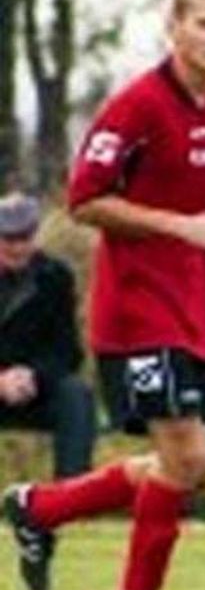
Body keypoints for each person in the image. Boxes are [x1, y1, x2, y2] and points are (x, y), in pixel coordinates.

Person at [2, 0, 205, 590]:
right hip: (138, 311)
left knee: (202, 463)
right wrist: (184, 227)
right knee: (183, 457)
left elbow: (189, 194)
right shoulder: (137, 106)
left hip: (193, 304)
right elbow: (85, 199)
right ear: (173, 26)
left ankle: (40, 509)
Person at [0, 193, 97, 483]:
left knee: (76, 395)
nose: (18, 247)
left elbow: (67, 351)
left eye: (25, 238)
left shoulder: (56, 276)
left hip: (34, 388)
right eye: (9, 239)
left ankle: (70, 494)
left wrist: (33, 375)